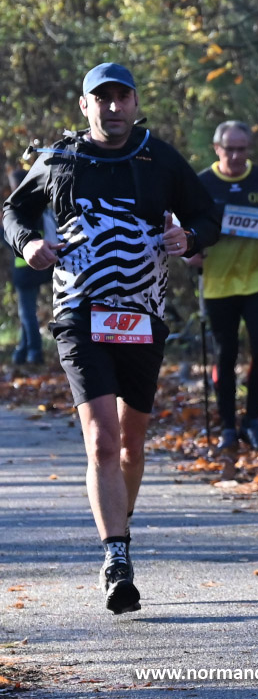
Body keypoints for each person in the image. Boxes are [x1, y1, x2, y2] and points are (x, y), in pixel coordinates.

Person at [3, 62, 220, 615]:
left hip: (143, 315)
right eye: (102, 98)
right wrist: (28, 243)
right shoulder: (60, 158)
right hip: (80, 313)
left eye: (122, 97)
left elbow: (207, 214)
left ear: (135, 101)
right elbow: (15, 210)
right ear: (85, 106)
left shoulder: (160, 157)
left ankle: (119, 521)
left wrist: (189, 236)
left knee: (130, 445)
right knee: (101, 440)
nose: (113, 107)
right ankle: (116, 557)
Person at [188, 120, 258, 451]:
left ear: (249, 149)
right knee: (225, 354)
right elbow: (181, 227)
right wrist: (189, 253)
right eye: (229, 149)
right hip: (218, 282)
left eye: (242, 149)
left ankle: (253, 420)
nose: (235, 156)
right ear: (217, 149)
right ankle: (228, 426)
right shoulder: (202, 183)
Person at [4, 169, 53, 365]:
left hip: (25, 271)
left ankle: (34, 352)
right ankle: (22, 351)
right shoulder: (36, 207)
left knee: (27, 314)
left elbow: (13, 240)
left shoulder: (21, 210)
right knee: (27, 312)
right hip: (35, 270)